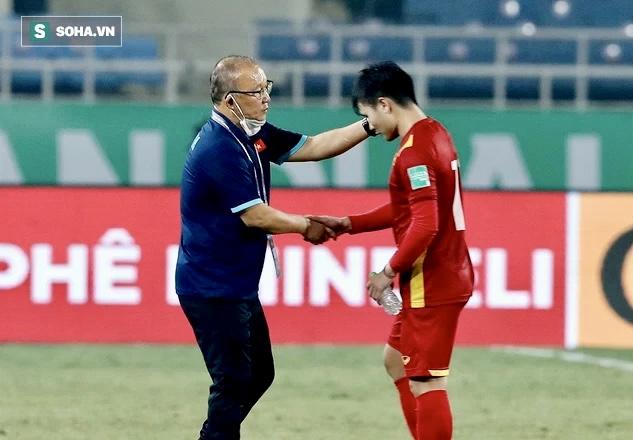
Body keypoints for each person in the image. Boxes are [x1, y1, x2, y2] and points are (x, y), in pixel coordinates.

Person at [175, 55, 371, 440]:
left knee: (259, 374)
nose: (266, 98)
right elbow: (256, 216)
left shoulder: (251, 133)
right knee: (233, 382)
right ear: (230, 100)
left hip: (235, 284)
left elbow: (314, 146)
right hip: (212, 287)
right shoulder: (219, 148)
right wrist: (307, 226)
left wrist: (368, 126)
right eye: (256, 91)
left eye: (267, 88)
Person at [310, 61, 474, 440]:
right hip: (445, 273)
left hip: (432, 281)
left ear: (384, 104)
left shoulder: (415, 151)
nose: (369, 127)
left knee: (426, 382)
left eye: (367, 116)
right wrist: (349, 223)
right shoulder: (436, 133)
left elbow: (426, 224)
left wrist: (387, 273)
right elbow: (410, 210)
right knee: (396, 364)